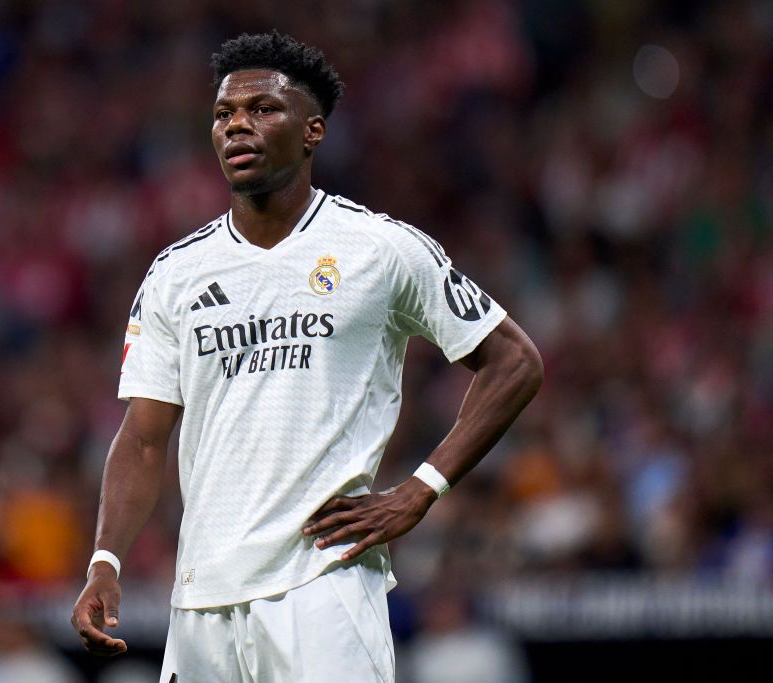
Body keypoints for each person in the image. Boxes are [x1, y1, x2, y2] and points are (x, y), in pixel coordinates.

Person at [71, 30, 543, 682]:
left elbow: (514, 361)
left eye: (263, 109)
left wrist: (420, 489)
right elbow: (144, 439)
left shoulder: (380, 249)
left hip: (322, 585)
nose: (238, 125)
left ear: (313, 130)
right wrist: (106, 562)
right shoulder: (175, 274)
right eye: (224, 114)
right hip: (201, 595)